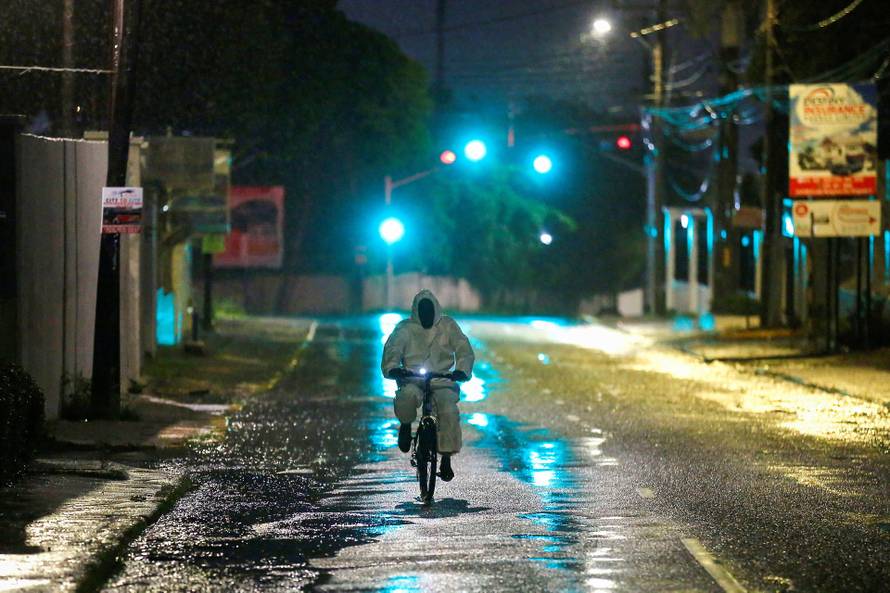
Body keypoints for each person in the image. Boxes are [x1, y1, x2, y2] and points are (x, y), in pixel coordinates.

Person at [381, 289, 474, 481]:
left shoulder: (448, 326)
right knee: (405, 397)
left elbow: (463, 348)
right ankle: (406, 425)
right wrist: (393, 368)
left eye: (428, 311)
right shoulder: (405, 329)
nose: (426, 315)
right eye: (422, 311)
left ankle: (446, 457)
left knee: (448, 411)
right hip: (413, 379)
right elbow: (393, 349)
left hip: (442, 380)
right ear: (416, 312)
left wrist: (461, 370)